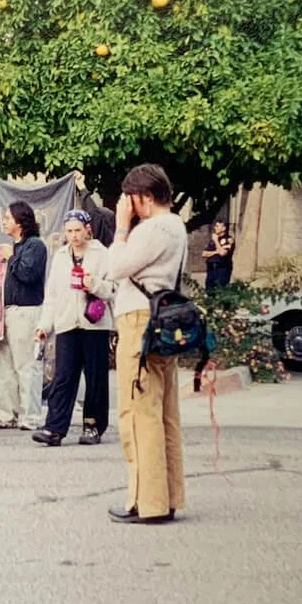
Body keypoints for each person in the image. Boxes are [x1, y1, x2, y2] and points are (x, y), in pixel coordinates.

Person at [103, 165, 190, 524]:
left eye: (132, 198)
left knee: (139, 414)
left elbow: (115, 266)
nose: (129, 205)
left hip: (139, 320)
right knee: (165, 412)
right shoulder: (178, 227)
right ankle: (168, 496)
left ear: (147, 197)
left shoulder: (153, 228)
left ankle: (145, 501)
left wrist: (122, 228)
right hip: (161, 321)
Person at [32, 210, 115, 447]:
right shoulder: (59, 256)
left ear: (88, 229)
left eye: (78, 230)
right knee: (63, 376)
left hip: (94, 324)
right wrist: (44, 325)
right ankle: (55, 427)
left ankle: (93, 425)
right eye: (69, 231)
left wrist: (94, 284)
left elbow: (113, 288)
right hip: (67, 322)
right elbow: (52, 295)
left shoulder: (102, 254)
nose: (74, 236)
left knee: (95, 376)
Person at [0, 200, 47, 431]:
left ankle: (30, 415)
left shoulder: (35, 246)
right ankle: (4, 412)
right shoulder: (12, 246)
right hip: (5, 310)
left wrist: (11, 257)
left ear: (21, 221)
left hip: (25, 310)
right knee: (4, 365)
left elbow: (28, 274)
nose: (4, 221)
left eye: (8, 218)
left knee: (26, 364)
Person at [202, 220, 235, 291]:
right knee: (209, 291)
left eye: (217, 226)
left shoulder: (228, 239)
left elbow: (222, 253)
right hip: (211, 269)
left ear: (223, 228)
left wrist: (216, 241)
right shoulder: (212, 240)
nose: (214, 228)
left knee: (220, 290)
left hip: (222, 268)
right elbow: (204, 254)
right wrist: (216, 252)